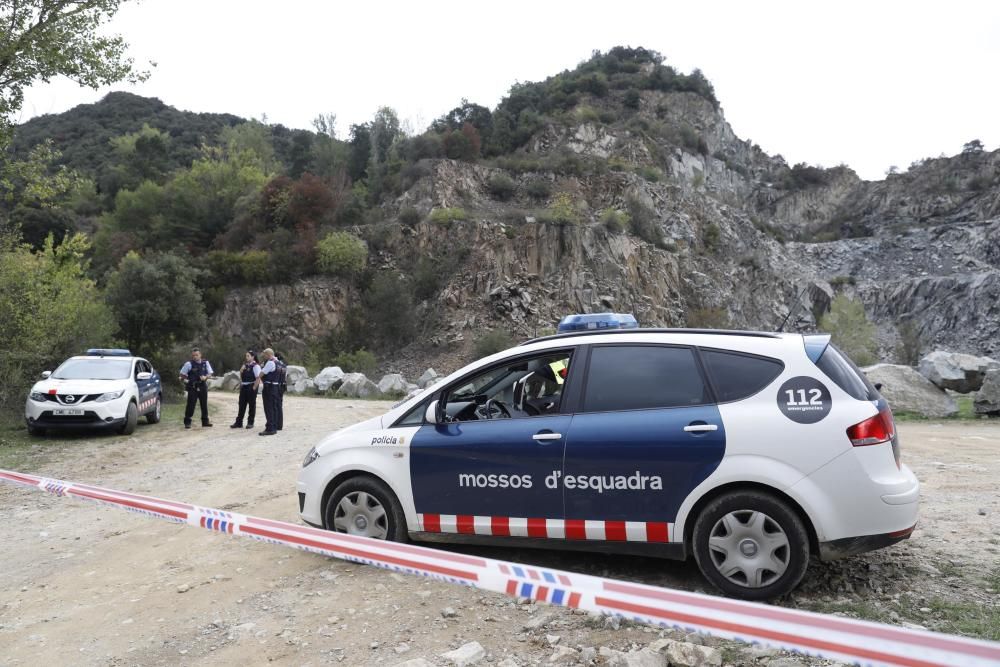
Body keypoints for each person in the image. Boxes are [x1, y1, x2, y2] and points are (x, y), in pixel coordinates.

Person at [179, 348, 213, 429]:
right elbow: (182, 374)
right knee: (191, 405)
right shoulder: (188, 364)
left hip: (203, 386)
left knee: (204, 404)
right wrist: (186, 379)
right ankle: (187, 422)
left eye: (197, 355)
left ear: (200, 355)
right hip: (193, 387)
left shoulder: (205, 363)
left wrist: (205, 377)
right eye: (193, 355)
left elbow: (210, 373)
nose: (195, 357)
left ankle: (205, 422)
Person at [231, 349, 260, 429]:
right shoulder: (245, 365)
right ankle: (239, 422)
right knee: (241, 404)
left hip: (251, 386)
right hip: (244, 386)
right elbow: (242, 377)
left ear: (253, 357)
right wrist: (241, 371)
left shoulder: (256, 366)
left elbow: (258, 378)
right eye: (246, 356)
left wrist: (254, 387)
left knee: (251, 405)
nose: (246, 357)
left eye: (248, 356)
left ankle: (250, 422)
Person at [254, 348, 279, 436]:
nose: (264, 356)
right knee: (274, 407)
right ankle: (274, 426)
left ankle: (270, 428)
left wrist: (258, 376)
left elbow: (262, 373)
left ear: (268, 354)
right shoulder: (277, 362)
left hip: (269, 388)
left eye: (264, 355)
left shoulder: (270, 362)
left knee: (268, 408)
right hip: (275, 387)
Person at [274, 352, 288, 431]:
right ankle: (280, 425)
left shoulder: (277, 365)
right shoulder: (285, 366)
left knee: (276, 406)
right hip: (283, 386)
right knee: (280, 406)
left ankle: (277, 424)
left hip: (278, 385)